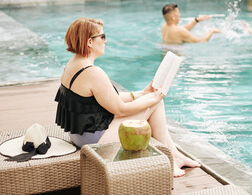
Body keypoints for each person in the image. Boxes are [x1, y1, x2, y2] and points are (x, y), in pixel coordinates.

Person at [54, 17, 200, 177]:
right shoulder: (93, 72)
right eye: (102, 37)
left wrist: (142, 94)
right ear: (90, 42)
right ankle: (171, 159)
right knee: (156, 104)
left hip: (79, 134)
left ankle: (175, 155)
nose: (105, 41)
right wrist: (153, 99)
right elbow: (120, 110)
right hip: (94, 139)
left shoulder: (73, 64)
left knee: (152, 100)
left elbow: (107, 98)